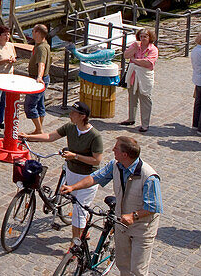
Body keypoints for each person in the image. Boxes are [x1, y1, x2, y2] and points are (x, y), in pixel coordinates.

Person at [62, 136, 162, 276]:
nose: (112, 149)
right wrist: (73, 187)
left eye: (116, 148)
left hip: (142, 229)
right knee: (123, 265)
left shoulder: (149, 177)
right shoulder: (116, 165)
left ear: (124, 154)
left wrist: (134, 216)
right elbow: (95, 177)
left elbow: (153, 207)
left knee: (138, 270)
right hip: (121, 224)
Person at [21, 101, 103, 242]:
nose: (70, 115)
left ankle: (75, 243)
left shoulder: (95, 136)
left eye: (73, 113)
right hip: (72, 172)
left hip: (87, 177)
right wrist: (29, 137)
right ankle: (82, 228)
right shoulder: (70, 127)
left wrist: (75, 156)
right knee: (76, 204)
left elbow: (96, 160)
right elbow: (50, 137)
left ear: (82, 116)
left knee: (78, 210)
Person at [121, 28, 158, 133]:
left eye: (145, 36)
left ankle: (145, 124)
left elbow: (148, 63)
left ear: (150, 37)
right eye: (141, 36)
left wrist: (134, 60)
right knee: (132, 97)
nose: (143, 38)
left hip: (144, 77)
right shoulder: (135, 45)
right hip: (133, 75)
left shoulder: (153, 49)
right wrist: (134, 49)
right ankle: (131, 119)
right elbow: (126, 55)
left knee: (145, 99)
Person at [25, 25, 52, 134]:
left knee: (29, 105)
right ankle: (39, 128)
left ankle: (39, 129)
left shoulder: (41, 48)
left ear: (37, 33)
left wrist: (39, 77)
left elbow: (41, 64)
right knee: (40, 104)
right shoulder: (43, 45)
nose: (31, 33)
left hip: (38, 79)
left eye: (33, 31)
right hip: (43, 78)